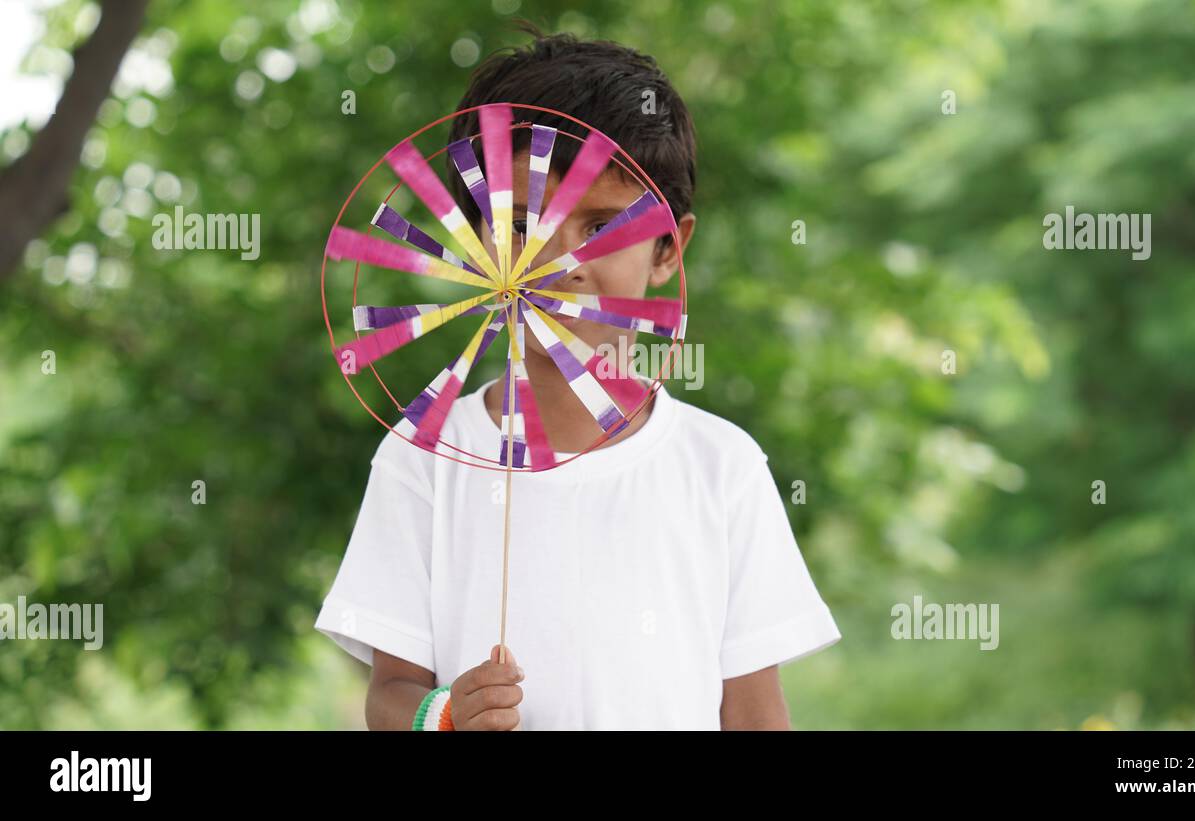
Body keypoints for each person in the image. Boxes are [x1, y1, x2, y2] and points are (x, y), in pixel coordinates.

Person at [315, 24, 840, 730]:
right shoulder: (425, 458)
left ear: (666, 248)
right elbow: (390, 693)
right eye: (524, 224)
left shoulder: (722, 470)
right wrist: (442, 713)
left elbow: (755, 714)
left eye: (600, 225)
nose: (562, 261)